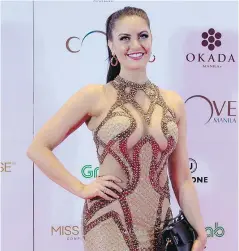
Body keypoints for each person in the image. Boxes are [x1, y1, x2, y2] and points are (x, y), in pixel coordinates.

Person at [27, 6, 207, 251]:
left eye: (143, 35)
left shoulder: (174, 102)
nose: (136, 45)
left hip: (161, 225)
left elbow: (183, 179)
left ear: (152, 39)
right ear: (111, 45)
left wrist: (200, 231)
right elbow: (38, 148)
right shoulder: (94, 96)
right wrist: (81, 188)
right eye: (125, 38)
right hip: (108, 221)